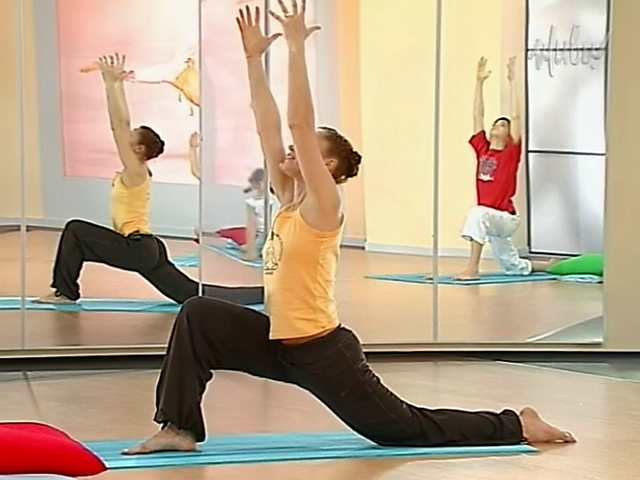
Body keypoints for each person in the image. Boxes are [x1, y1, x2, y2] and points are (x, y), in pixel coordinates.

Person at [123, 3, 576, 455]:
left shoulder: (324, 205)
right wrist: (253, 59)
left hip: (322, 352)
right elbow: (267, 124)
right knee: (199, 314)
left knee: (404, 428)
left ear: (327, 165)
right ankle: (178, 427)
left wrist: (296, 49)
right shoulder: (288, 197)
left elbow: (298, 123)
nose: (289, 150)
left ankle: (515, 423)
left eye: (304, 148)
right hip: (276, 342)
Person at [36, 53, 262, 307]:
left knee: (75, 231)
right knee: (191, 293)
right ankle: (263, 294)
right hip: (146, 248)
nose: (127, 136)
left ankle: (65, 293)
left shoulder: (136, 170)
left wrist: (111, 85)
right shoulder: (136, 171)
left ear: (139, 149)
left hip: (137, 248)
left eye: (132, 135)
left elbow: (119, 124)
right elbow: (122, 125)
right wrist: (115, 84)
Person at [456, 57, 554, 281]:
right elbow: (477, 114)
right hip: (492, 219)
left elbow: (517, 117)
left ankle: (472, 268)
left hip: (505, 217)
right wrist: (479, 82)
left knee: (477, 213)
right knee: (511, 265)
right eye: (495, 124)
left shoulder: (510, 153)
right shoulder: (482, 148)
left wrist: (512, 81)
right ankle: (545, 266)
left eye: (502, 125)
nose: (496, 126)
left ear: (508, 135)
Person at [189, 132, 272, 261]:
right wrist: (192, 148)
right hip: (249, 234)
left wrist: (251, 250)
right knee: (203, 232)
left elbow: (257, 228)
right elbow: (197, 172)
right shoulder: (248, 195)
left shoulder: (268, 199)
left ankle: (245, 246)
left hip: (260, 236)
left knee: (241, 242)